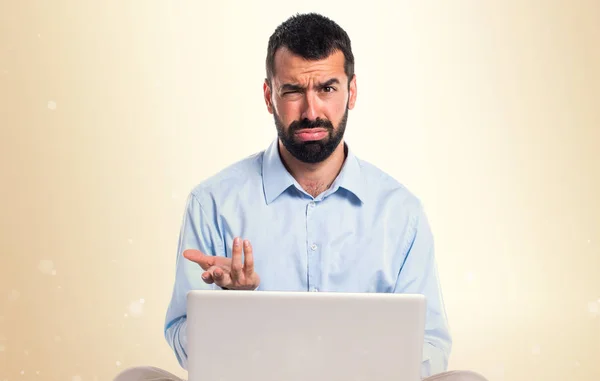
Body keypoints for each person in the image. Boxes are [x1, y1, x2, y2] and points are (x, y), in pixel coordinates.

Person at [114, 12, 488, 381]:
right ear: (268, 95)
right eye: (293, 90)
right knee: (137, 378)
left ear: (351, 92)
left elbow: (431, 344)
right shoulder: (212, 203)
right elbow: (185, 348)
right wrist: (230, 307)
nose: (311, 112)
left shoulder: (400, 212)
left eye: (327, 88)